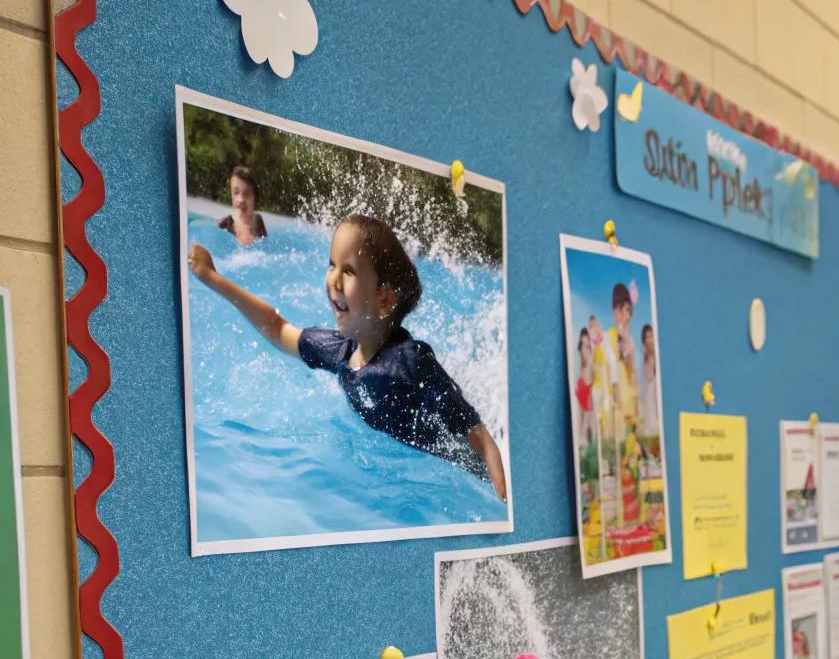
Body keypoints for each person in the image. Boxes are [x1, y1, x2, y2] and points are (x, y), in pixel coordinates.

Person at [189, 215, 507, 498]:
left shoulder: (412, 361)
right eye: (332, 265)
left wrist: (502, 501)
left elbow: (479, 437)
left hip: (455, 468)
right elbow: (277, 327)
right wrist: (213, 279)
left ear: (383, 298)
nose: (334, 281)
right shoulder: (338, 352)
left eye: (349, 271)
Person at [608, 282, 638, 424]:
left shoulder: (629, 341)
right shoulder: (608, 337)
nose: (628, 316)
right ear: (615, 311)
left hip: (629, 405)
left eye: (629, 311)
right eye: (624, 310)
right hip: (615, 406)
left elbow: (631, 373)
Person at [218, 164, 267, 245]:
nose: (241, 200)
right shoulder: (227, 224)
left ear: (255, 197)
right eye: (236, 193)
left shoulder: (257, 222)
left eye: (247, 194)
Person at [575, 327, 597, 447]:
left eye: (587, 345)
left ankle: (590, 437)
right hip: (583, 388)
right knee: (582, 415)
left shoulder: (591, 360)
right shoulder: (581, 359)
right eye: (583, 345)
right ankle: (583, 438)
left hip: (589, 389)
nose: (585, 349)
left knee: (589, 416)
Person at [639, 323, 659, 441]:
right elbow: (647, 378)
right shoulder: (645, 358)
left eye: (651, 336)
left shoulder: (658, 356)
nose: (649, 340)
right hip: (648, 400)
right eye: (646, 337)